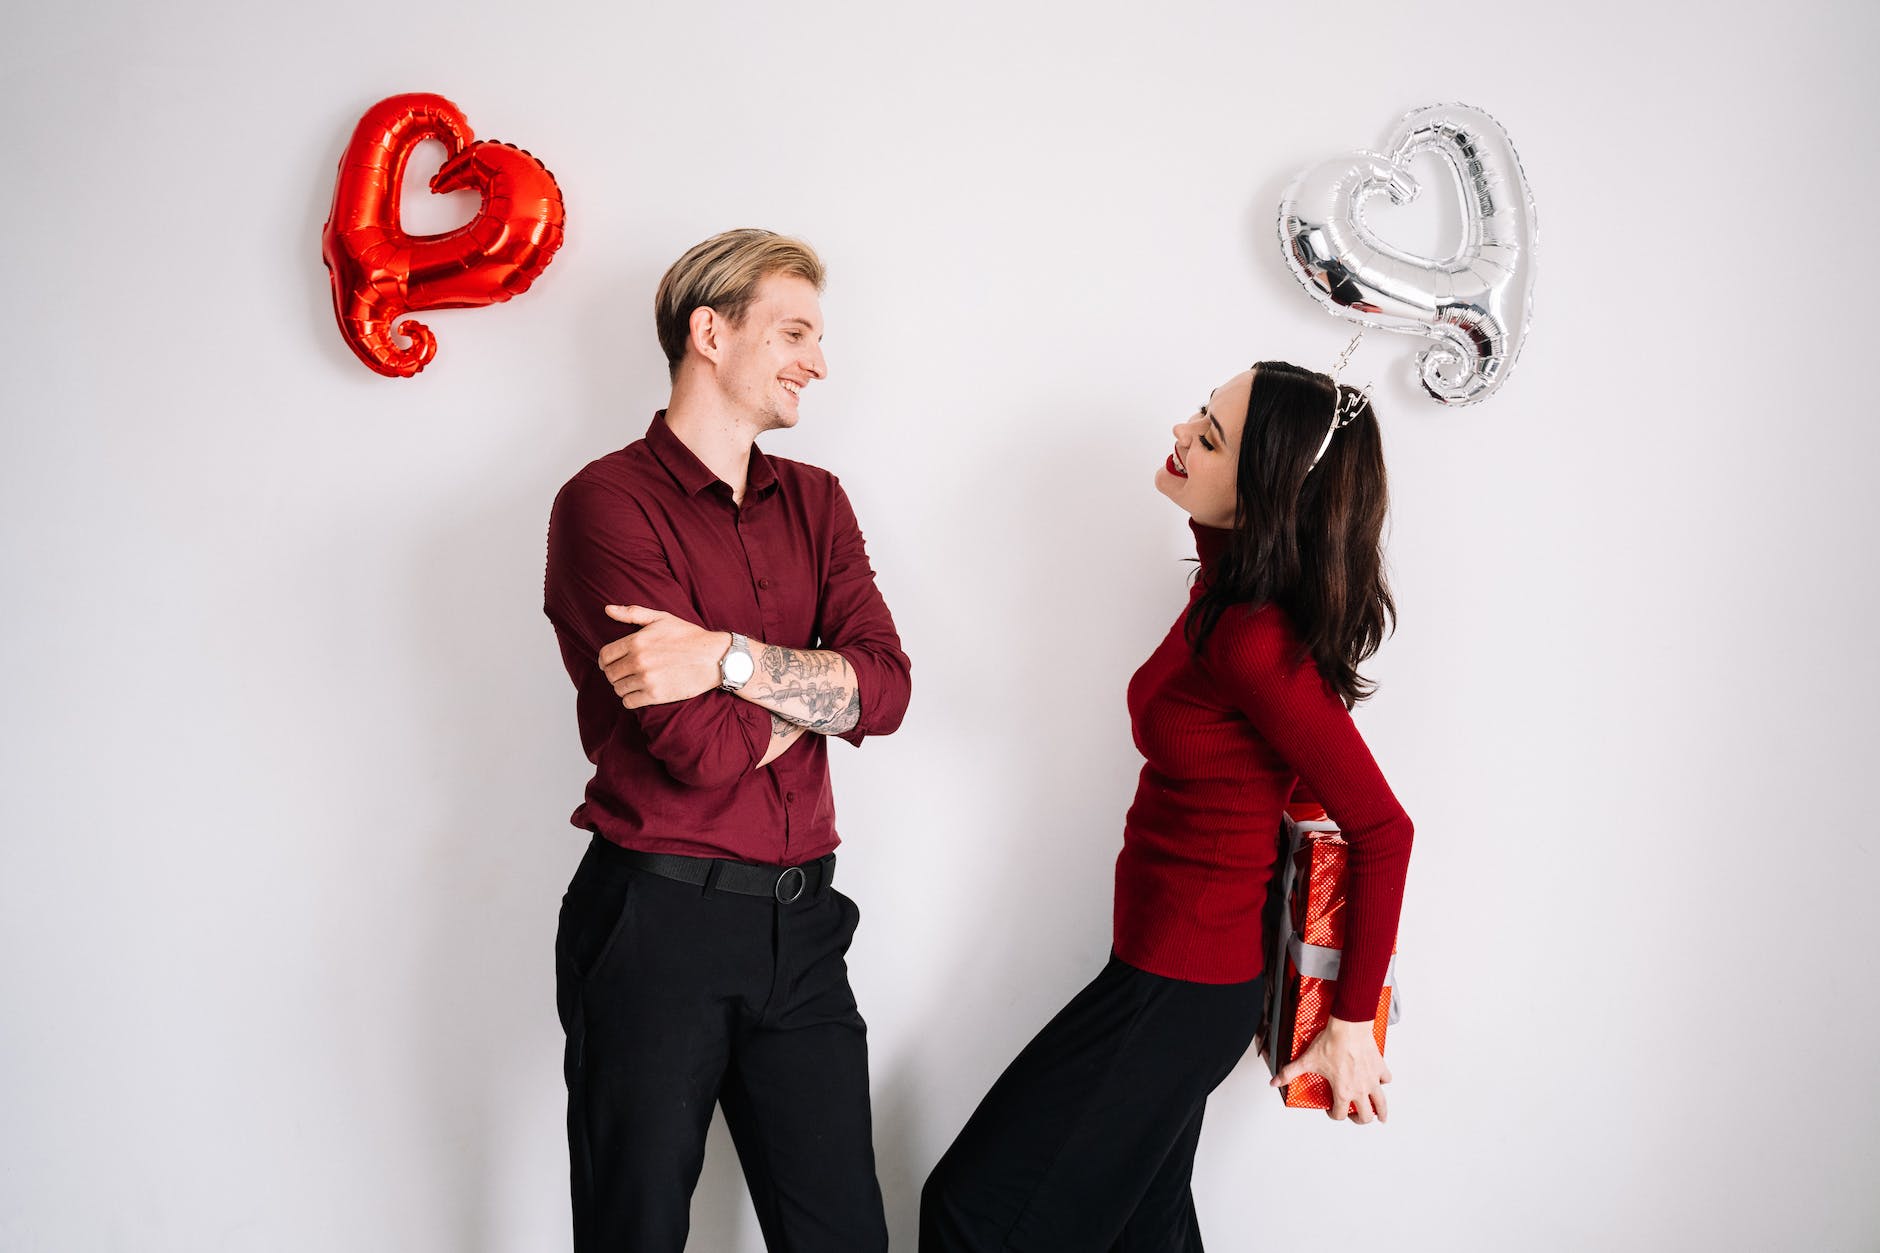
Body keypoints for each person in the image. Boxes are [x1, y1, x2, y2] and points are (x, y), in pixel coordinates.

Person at [919, 361, 1414, 1251]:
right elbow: (1280, 780)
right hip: (1169, 975)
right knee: (1145, 1229)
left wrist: (1350, 1024)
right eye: (1200, 411)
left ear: (1260, 488)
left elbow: (1383, 827)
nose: (1181, 431)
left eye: (1211, 435)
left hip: (1179, 989)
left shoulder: (1252, 636)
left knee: (971, 1212)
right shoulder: (1221, 597)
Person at [542, 228, 912, 1253]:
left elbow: (886, 688)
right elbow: (698, 752)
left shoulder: (820, 502)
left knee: (841, 1231)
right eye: (793, 330)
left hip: (805, 929)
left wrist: (727, 658)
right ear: (710, 331)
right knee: (637, 1230)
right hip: (656, 923)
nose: (817, 361)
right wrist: (807, 680)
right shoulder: (604, 505)